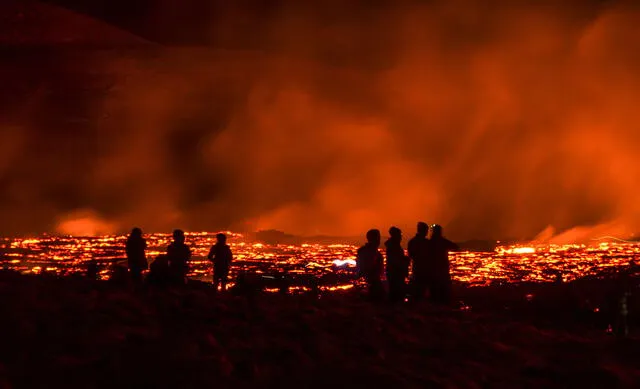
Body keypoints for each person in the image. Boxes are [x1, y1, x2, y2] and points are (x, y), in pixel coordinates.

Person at [426, 224, 459, 305]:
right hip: (442, 270)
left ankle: (434, 306)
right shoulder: (443, 242)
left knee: (434, 290)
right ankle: (444, 305)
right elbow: (455, 247)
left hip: (432, 270)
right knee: (444, 290)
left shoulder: (429, 243)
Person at [356, 229, 384, 300]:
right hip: (372, 283)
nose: (379, 240)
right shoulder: (370, 252)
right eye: (378, 237)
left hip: (372, 282)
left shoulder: (367, 251)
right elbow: (367, 268)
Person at [385, 227, 410, 302]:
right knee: (396, 293)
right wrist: (405, 260)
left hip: (394, 272)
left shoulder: (392, 246)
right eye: (400, 235)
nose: (401, 237)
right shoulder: (394, 246)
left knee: (394, 293)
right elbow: (396, 261)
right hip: (396, 273)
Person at [407, 222, 430, 300]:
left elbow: (410, 256)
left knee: (417, 290)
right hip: (423, 270)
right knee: (421, 290)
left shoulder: (412, 242)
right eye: (426, 230)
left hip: (416, 269)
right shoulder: (427, 243)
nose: (427, 232)